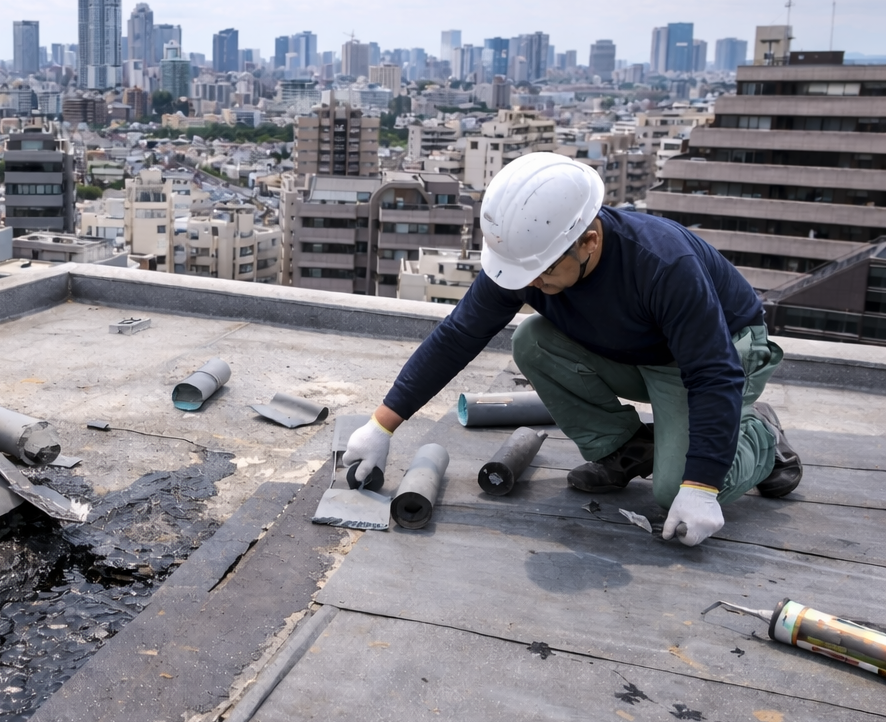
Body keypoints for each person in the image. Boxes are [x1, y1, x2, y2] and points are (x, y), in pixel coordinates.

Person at [344, 151, 802, 547]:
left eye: (543, 273)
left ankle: (759, 436)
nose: (530, 284)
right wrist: (382, 426)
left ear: (589, 241)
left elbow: (712, 373)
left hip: (720, 355)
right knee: (532, 340)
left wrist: (701, 486)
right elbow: (458, 336)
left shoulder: (663, 265)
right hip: (640, 350)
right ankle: (629, 448)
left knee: (675, 491)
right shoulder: (530, 257)